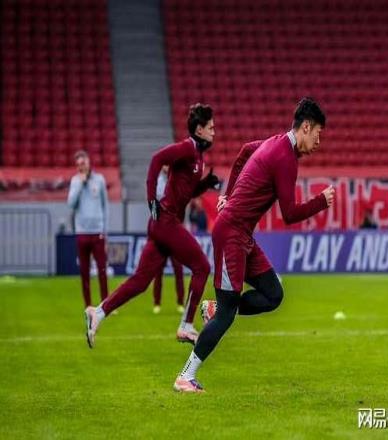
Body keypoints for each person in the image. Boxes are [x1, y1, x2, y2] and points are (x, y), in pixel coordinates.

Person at [174, 97, 335, 392]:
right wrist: (321, 202)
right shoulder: (285, 159)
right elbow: (289, 214)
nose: (318, 141)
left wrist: (228, 194)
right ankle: (185, 376)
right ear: (306, 127)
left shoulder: (275, 143)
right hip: (231, 236)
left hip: (243, 236)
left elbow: (245, 150)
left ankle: (214, 308)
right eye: (318, 133)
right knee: (227, 315)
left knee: (273, 294)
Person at [84, 103, 219, 347]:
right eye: (210, 127)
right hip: (166, 222)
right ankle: (186, 325)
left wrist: (205, 184)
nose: (214, 131)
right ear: (199, 129)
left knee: (140, 281)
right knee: (202, 267)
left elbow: (185, 193)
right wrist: (151, 199)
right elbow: (157, 159)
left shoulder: (198, 156)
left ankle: (99, 312)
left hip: (161, 224)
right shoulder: (187, 148)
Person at [67, 150, 109, 308]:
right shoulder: (75, 181)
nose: (81, 166)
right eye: (78, 164)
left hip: (97, 232)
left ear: (89, 163)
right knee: (84, 272)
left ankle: (106, 305)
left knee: (102, 270)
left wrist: (105, 231)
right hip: (82, 233)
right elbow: (71, 204)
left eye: (83, 163)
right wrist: (80, 184)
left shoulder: (100, 180)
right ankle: (88, 305)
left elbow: (105, 207)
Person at [152, 166, 185, 315]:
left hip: (175, 231)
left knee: (178, 269)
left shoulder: (178, 180)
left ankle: (180, 302)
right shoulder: (157, 182)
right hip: (161, 231)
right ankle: (157, 303)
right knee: (158, 269)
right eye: (164, 164)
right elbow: (155, 204)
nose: (166, 167)